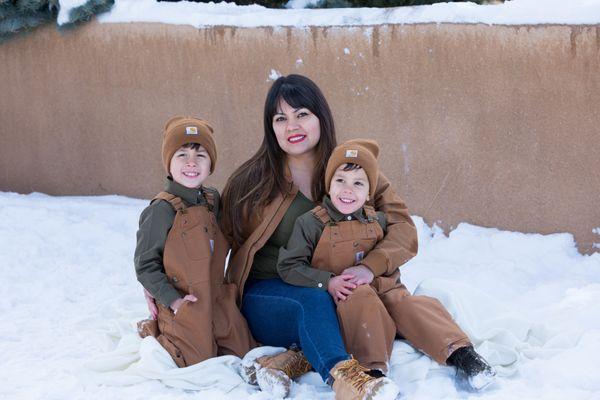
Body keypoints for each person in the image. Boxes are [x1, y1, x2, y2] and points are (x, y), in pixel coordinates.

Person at [220, 74, 420, 399]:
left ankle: (289, 361)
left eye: (302, 114)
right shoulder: (251, 181)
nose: (291, 126)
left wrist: (370, 267)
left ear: (320, 118)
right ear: (271, 128)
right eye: (280, 118)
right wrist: (164, 287)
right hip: (271, 296)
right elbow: (210, 239)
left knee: (358, 302)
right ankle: (348, 380)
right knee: (314, 298)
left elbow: (403, 228)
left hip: (338, 288)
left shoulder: (354, 169)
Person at [277, 139, 497, 390]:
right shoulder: (311, 223)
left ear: (370, 192)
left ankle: (462, 355)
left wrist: (372, 269)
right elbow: (289, 266)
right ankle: (373, 370)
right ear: (329, 184)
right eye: (340, 181)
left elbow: (401, 240)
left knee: (411, 305)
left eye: (358, 183)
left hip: (385, 291)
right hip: (350, 299)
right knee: (360, 297)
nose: (348, 190)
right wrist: (328, 281)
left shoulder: (378, 220)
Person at [134, 116, 256, 367]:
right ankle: (154, 331)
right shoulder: (161, 210)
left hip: (216, 297)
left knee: (245, 353)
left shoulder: (213, 200)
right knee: (197, 362)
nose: (191, 163)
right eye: (182, 155)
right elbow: (145, 264)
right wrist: (172, 300)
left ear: (211, 164)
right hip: (185, 303)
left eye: (200, 155)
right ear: (168, 164)